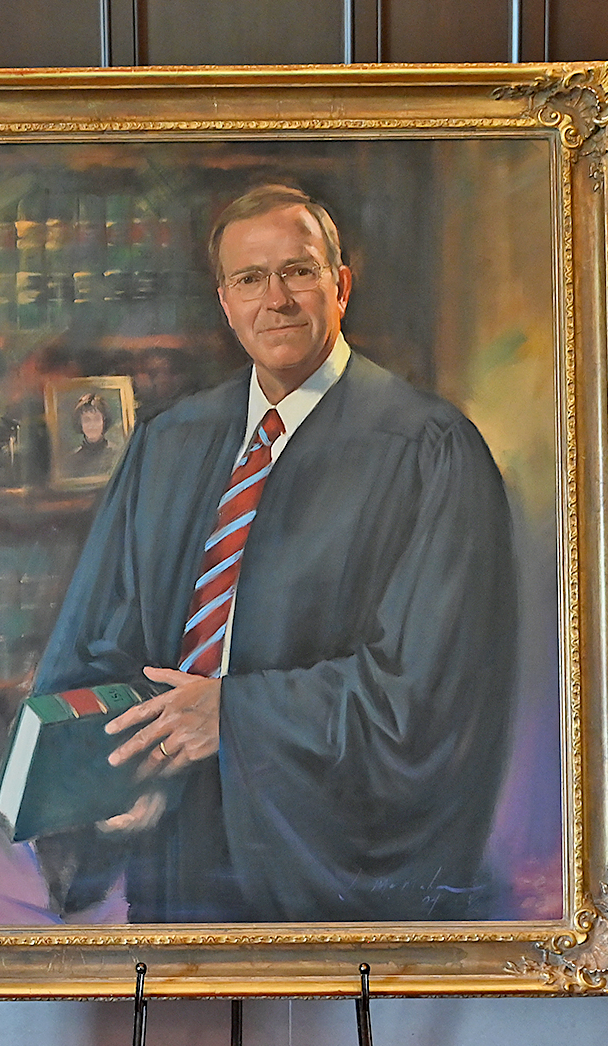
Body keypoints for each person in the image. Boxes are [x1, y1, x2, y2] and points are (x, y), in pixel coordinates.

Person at [30, 183, 517, 923]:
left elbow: (432, 693)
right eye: (251, 279)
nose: (277, 299)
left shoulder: (428, 448)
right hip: (175, 841)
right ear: (224, 301)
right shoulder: (168, 442)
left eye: (299, 271)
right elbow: (99, 637)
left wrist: (236, 719)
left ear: (341, 285)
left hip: (321, 853)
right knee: (180, 1028)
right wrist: (108, 783)